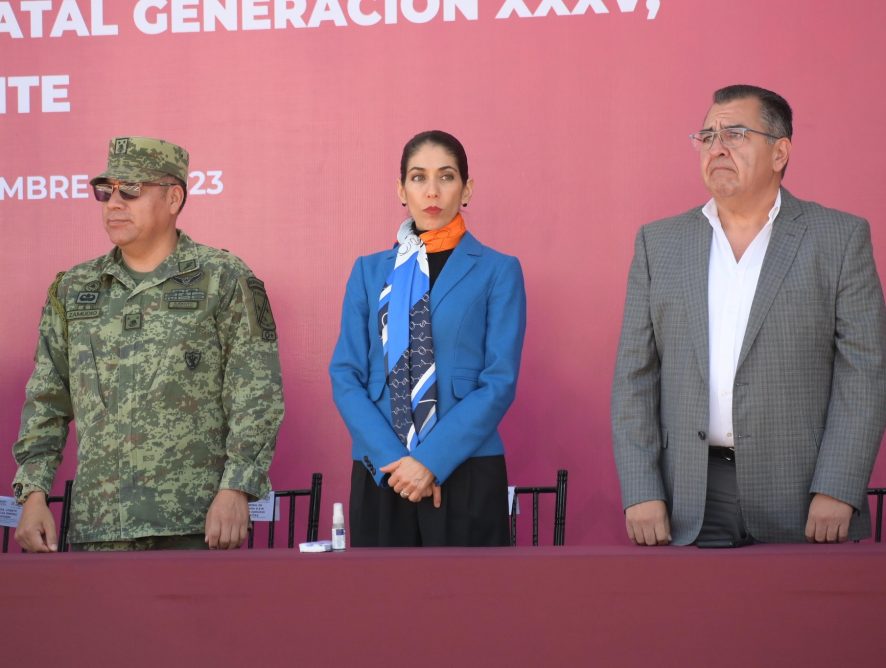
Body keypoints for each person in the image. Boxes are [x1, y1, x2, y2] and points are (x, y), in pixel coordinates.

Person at [611, 85, 886, 546]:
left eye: (735, 134)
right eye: (707, 135)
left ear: (780, 152)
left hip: (804, 495)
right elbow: (634, 378)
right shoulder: (657, 245)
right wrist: (641, 489)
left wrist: (837, 485)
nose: (716, 147)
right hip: (690, 497)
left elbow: (865, 374)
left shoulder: (839, 239)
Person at [12, 136, 284, 552]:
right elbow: (47, 399)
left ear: (174, 197)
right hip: (99, 528)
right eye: (105, 191)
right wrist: (32, 495)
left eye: (131, 190)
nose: (113, 203)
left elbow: (256, 394)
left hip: (196, 526)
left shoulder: (223, 278)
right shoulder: (74, 288)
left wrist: (237, 489)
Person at [330, 130, 526, 546]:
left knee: (468, 607)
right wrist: (395, 461)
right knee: (382, 607)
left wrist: (430, 462)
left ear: (467, 187)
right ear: (401, 189)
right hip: (382, 472)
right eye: (418, 178)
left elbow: (498, 382)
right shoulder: (368, 271)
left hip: (465, 466)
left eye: (447, 176)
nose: (432, 191)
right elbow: (346, 375)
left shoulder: (498, 270)